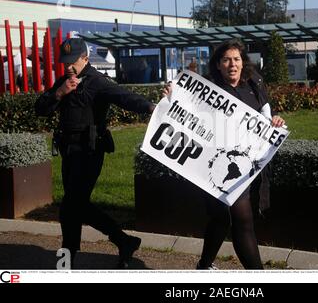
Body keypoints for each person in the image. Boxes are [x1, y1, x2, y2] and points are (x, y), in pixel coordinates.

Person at [163, 39, 285, 269]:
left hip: (243, 165)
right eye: (226, 59)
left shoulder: (254, 84)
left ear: (243, 62)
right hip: (213, 165)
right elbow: (182, 112)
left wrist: (274, 122)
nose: (232, 64)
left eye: (237, 59)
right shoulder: (206, 87)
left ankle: (204, 265)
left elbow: (266, 116)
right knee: (240, 219)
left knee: (221, 220)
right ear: (218, 64)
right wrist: (172, 97)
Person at [35, 38, 155, 269]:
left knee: (72, 205)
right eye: (65, 62)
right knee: (73, 206)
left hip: (89, 151)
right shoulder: (63, 82)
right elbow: (40, 109)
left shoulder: (98, 82)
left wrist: (151, 108)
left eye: (72, 62)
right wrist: (60, 92)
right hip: (69, 152)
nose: (68, 67)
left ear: (85, 59)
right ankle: (124, 241)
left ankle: (68, 259)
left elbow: (125, 97)